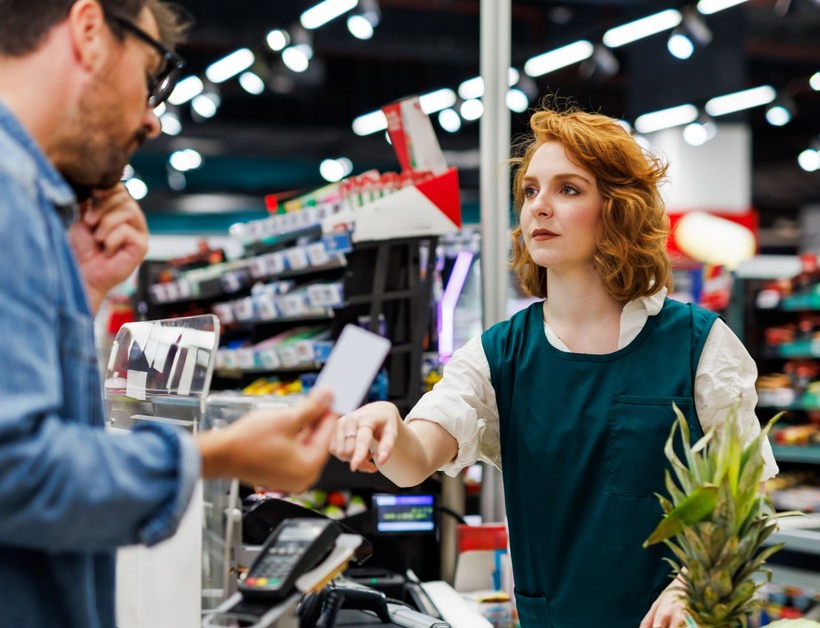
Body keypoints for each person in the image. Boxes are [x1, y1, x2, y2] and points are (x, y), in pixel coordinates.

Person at [0, 1, 337, 626]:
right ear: (89, 31)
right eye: (151, 74)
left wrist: (77, 291)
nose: (152, 119)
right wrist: (216, 456)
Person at [332, 107, 778, 628]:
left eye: (568, 189)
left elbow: (748, 498)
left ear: (618, 209)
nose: (540, 206)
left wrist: (693, 584)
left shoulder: (698, 345)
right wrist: (388, 425)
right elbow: (415, 461)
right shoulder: (500, 355)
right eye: (530, 191)